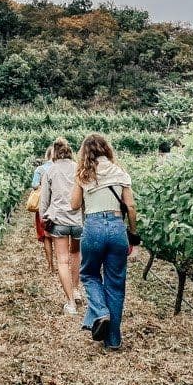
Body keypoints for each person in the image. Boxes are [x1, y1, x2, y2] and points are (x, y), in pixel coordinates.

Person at [70, 133, 138, 351]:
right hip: (117, 227)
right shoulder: (121, 173)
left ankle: (100, 312)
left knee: (88, 274)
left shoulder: (84, 175)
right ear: (107, 150)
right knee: (116, 284)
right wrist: (132, 234)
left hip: (94, 227)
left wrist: (79, 183)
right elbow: (131, 207)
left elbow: (73, 204)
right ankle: (114, 340)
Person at [38, 137, 83, 315]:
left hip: (58, 221)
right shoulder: (79, 169)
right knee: (76, 255)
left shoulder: (50, 171)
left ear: (55, 153)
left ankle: (71, 303)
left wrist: (43, 218)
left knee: (62, 260)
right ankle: (77, 289)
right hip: (78, 220)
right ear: (70, 152)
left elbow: (44, 200)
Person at [31, 145, 54, 273]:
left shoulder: (40, 169)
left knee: (46, 236)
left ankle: (51, 265)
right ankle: (62, 262)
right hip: (58, 206)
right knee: (59, 236)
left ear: (47, 155)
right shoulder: (61, 169)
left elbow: (34, 185)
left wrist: (41, 186)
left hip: (43, 206)